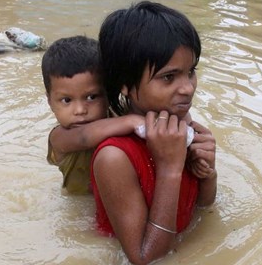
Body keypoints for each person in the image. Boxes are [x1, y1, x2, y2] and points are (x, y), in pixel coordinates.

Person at [92, 1, 217, 265]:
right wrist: (170, 168)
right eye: (169, 77)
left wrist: (208, 172)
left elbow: (202, 209)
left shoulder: (180, 124)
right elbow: (145, 259)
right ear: (125, 84)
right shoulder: (115, 157)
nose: (187, 88)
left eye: (191, 72)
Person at [42, 35, 207, 196]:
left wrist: (188, 132)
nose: (79, 110)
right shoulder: (59, 137)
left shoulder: (115, 115)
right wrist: (132, 121)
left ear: (109, 93)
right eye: (66, 100)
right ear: (49, 101)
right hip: (82, 201)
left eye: (92, 97)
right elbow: (84, 137)